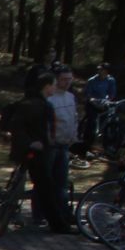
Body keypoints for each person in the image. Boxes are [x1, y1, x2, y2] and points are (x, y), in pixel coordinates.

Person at [4, 66, 74, 233]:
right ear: (46, 86)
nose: (55, 87)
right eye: (54, 84)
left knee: (46, 186)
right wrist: (32, 142)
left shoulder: (42, 103)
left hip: (42, 150)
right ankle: (58, 225)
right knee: (46, 187)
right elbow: (19, 126)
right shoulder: (35, 104)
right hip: (35, 152)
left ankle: (58, 222)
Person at [43, 64, 80, 223]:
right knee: (45, 182)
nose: (67, 82)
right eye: (63, 79)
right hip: (50, 145)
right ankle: (40, 215)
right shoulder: (49, 98)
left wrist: (74, 137)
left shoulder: (71, 97)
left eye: (69, 79)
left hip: (65, 145)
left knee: (61, 183)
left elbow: (74, 119)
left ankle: (63, 214)